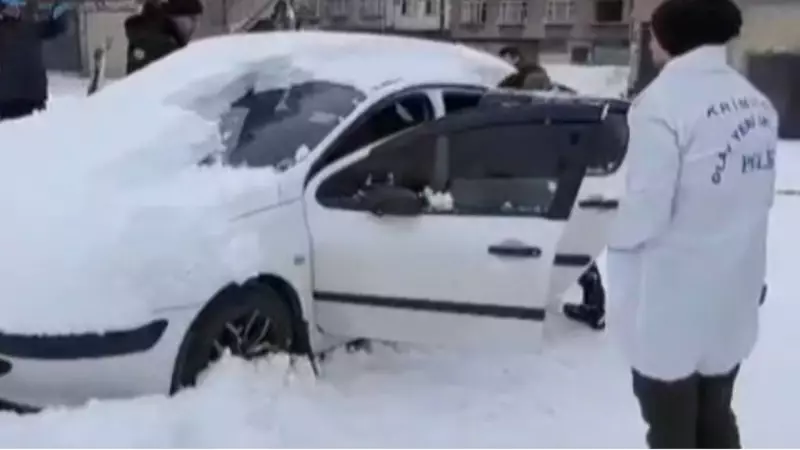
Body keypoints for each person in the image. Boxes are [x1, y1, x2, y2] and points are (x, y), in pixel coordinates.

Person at [605, 0, 778, 447]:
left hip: (671, 305)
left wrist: (602, 229)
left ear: (668, 39)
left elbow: (646, 212)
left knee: (672, 431)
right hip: (732, 296)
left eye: (652, 32)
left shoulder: (661, 105)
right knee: (716, 417)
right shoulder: (757, 104)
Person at [0, 0, 71, 121]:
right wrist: (60, 10)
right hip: (31, 97)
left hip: (8, 100)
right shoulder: (31, 28)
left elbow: (56, 27)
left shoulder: (31, 28)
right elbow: (57, 26)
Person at [124, 0, 202, 75]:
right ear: (174, 18)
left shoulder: (150, 36)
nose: (196, 25)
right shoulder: (161, 46)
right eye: (192, 19)